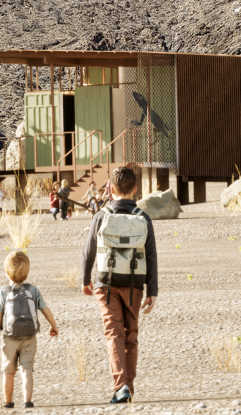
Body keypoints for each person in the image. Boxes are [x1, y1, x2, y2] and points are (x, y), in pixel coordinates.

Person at [81, 166, 158, 404]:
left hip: (106, 283)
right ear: (135, 189)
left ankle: (120, 386)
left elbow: (89, 251)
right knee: (131, 335)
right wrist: (152, 291)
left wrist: (86, 279)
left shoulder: (101, 215)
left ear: (110, 190)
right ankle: (129, 388)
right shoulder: (142, 217)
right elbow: (151, 255)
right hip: (135, 284)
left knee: (114, 332)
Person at [0, 250, 60, 409]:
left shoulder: (3, 292)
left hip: (9, 338)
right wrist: (53, 326)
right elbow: (46, 310)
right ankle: (27, 401)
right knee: (26, 370)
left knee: (9, 372)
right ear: (27, 273)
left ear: (7, 273)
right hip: (30, 337)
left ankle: (7, 402)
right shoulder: (33, 290)